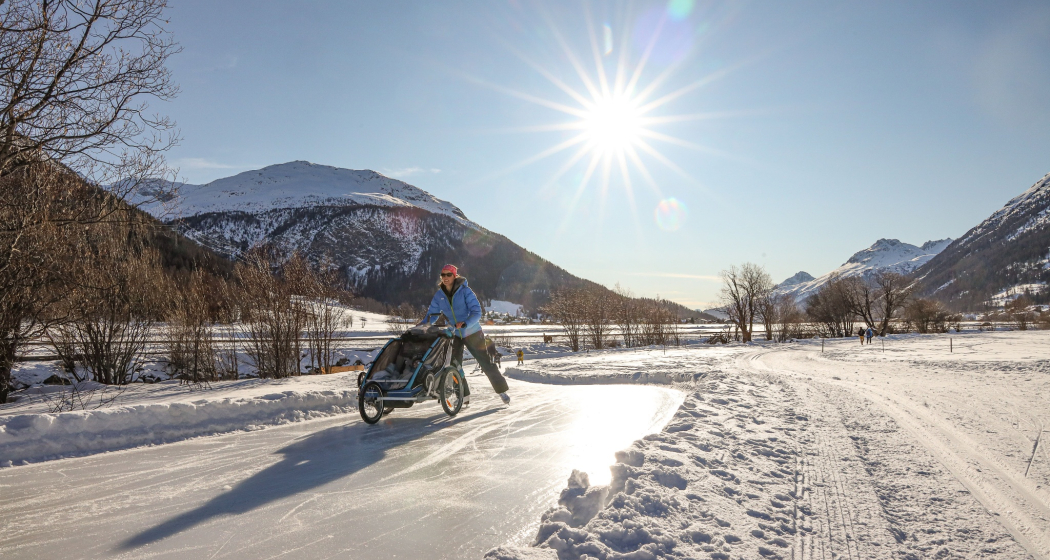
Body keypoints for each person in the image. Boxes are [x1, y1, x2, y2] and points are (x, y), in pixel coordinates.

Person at [424, 264, 510, 405]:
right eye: (443, 275)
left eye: (448, 275)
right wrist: (423, 324)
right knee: (454, 365)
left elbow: (477, 312)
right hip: (455, 334)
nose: (445, 278)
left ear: (455, 276)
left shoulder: (465, 291)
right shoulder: (440, 295)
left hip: (472, 332)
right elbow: (431, 314)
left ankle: (501, 391)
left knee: (485, 363)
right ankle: (463, 395)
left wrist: (465, 323)